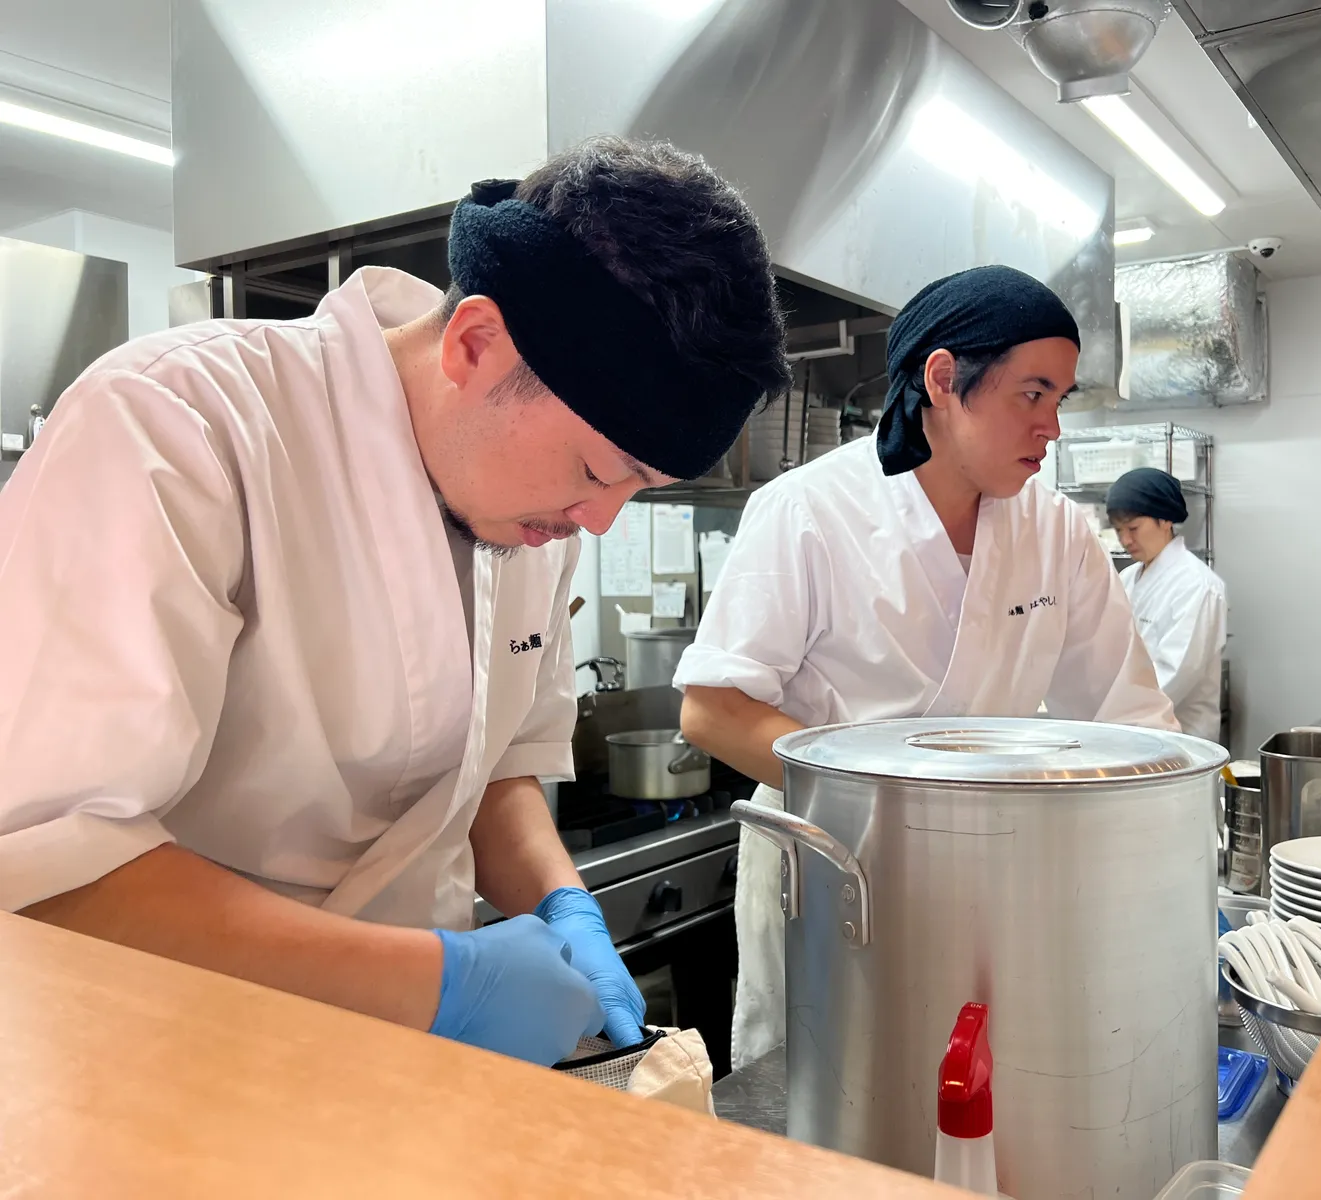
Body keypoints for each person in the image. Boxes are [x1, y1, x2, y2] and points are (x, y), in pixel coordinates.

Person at [0, 137, 789, 1067]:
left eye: (640, 488)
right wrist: (443, 984)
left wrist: (557, 902)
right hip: (168, 1059)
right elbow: (51, 864)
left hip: (407, 1074)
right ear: (475, 343)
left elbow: (495, 773)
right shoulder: (177, 424)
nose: (601, 522)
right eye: (597, 471)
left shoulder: (533, 516)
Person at [672, 265, 1177, 1069]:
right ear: (943, 380)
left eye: (1061, 401)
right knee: (826, 1097)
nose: (1051, 429)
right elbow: (714, 709)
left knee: (977, 1095)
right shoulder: (810, 509)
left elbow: (1130, 720)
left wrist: (1166, 864)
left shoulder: (1058, 533)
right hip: (833, 871)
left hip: (996, 873)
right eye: (1031, 394)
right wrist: (895, 815)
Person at [1106, 467, 1227, 741]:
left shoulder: (1197, 585)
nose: (1125, 540)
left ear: (1165, 520)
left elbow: (1172, 677)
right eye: (1119, 530)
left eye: (1133, 528)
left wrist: (1110, 714)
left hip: (1179, 739)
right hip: (1129, 729)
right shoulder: (1128, 578)